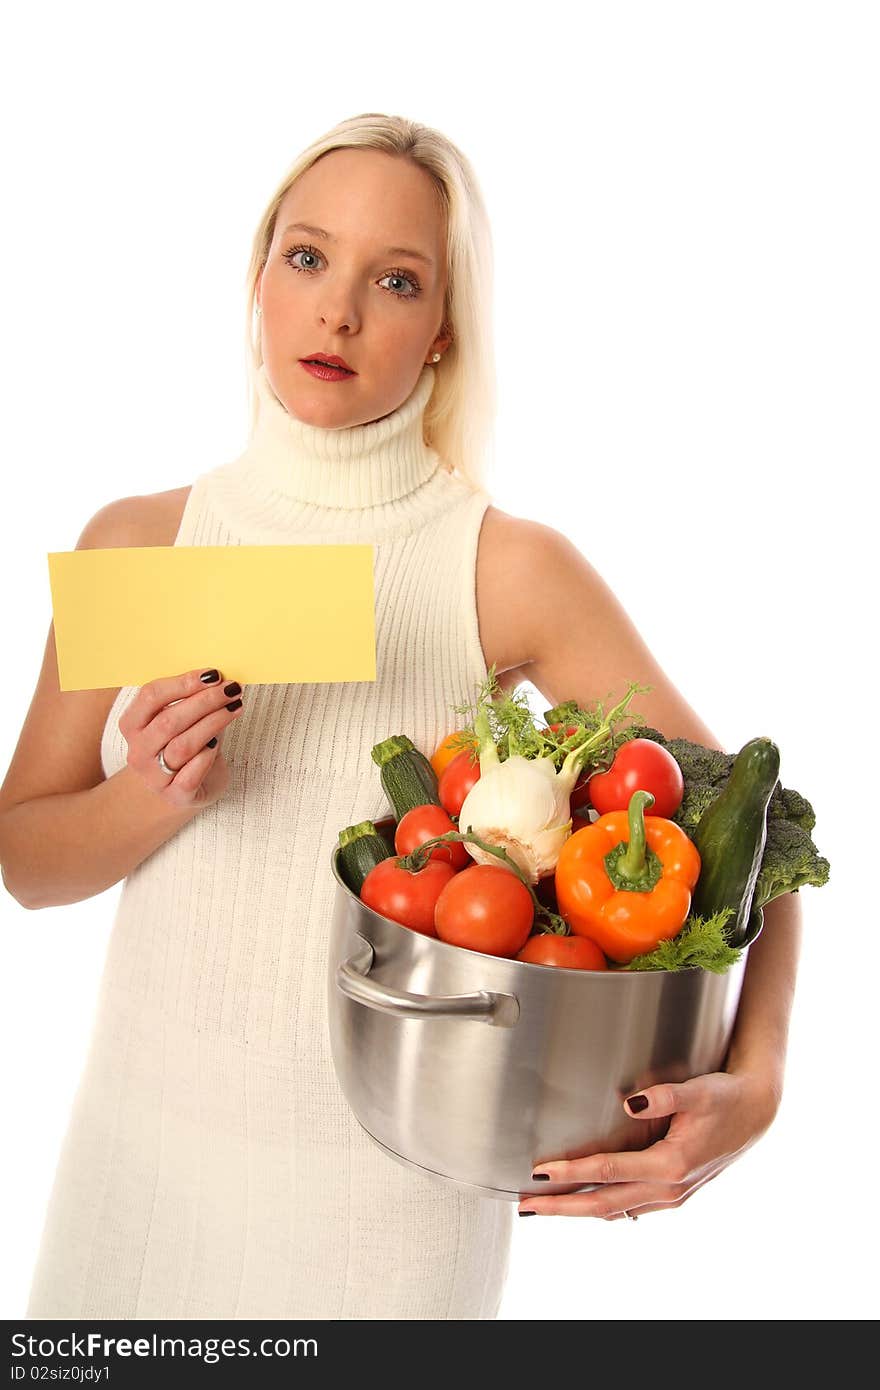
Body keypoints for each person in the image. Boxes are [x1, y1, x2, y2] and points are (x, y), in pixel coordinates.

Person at [0, 113, 801, 1319]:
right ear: (258, 280)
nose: (339, 314)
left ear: (441, 334)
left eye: (397, 280)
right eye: (308, 259)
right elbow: (25, 858)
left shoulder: (505, 569)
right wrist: (143, 796)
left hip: (387, 1221)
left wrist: (763, 1078)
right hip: (140, 1170)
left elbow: (762, 835)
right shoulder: (135, 541)